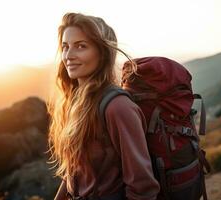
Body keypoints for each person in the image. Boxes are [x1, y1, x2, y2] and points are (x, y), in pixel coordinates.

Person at [46, 12, 160, 200]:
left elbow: (143, 187)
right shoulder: (75, 102)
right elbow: (75, 174)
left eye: (81, 46)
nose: (68, 55)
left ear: (102, 52)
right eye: (65, 47)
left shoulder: (117, 107)